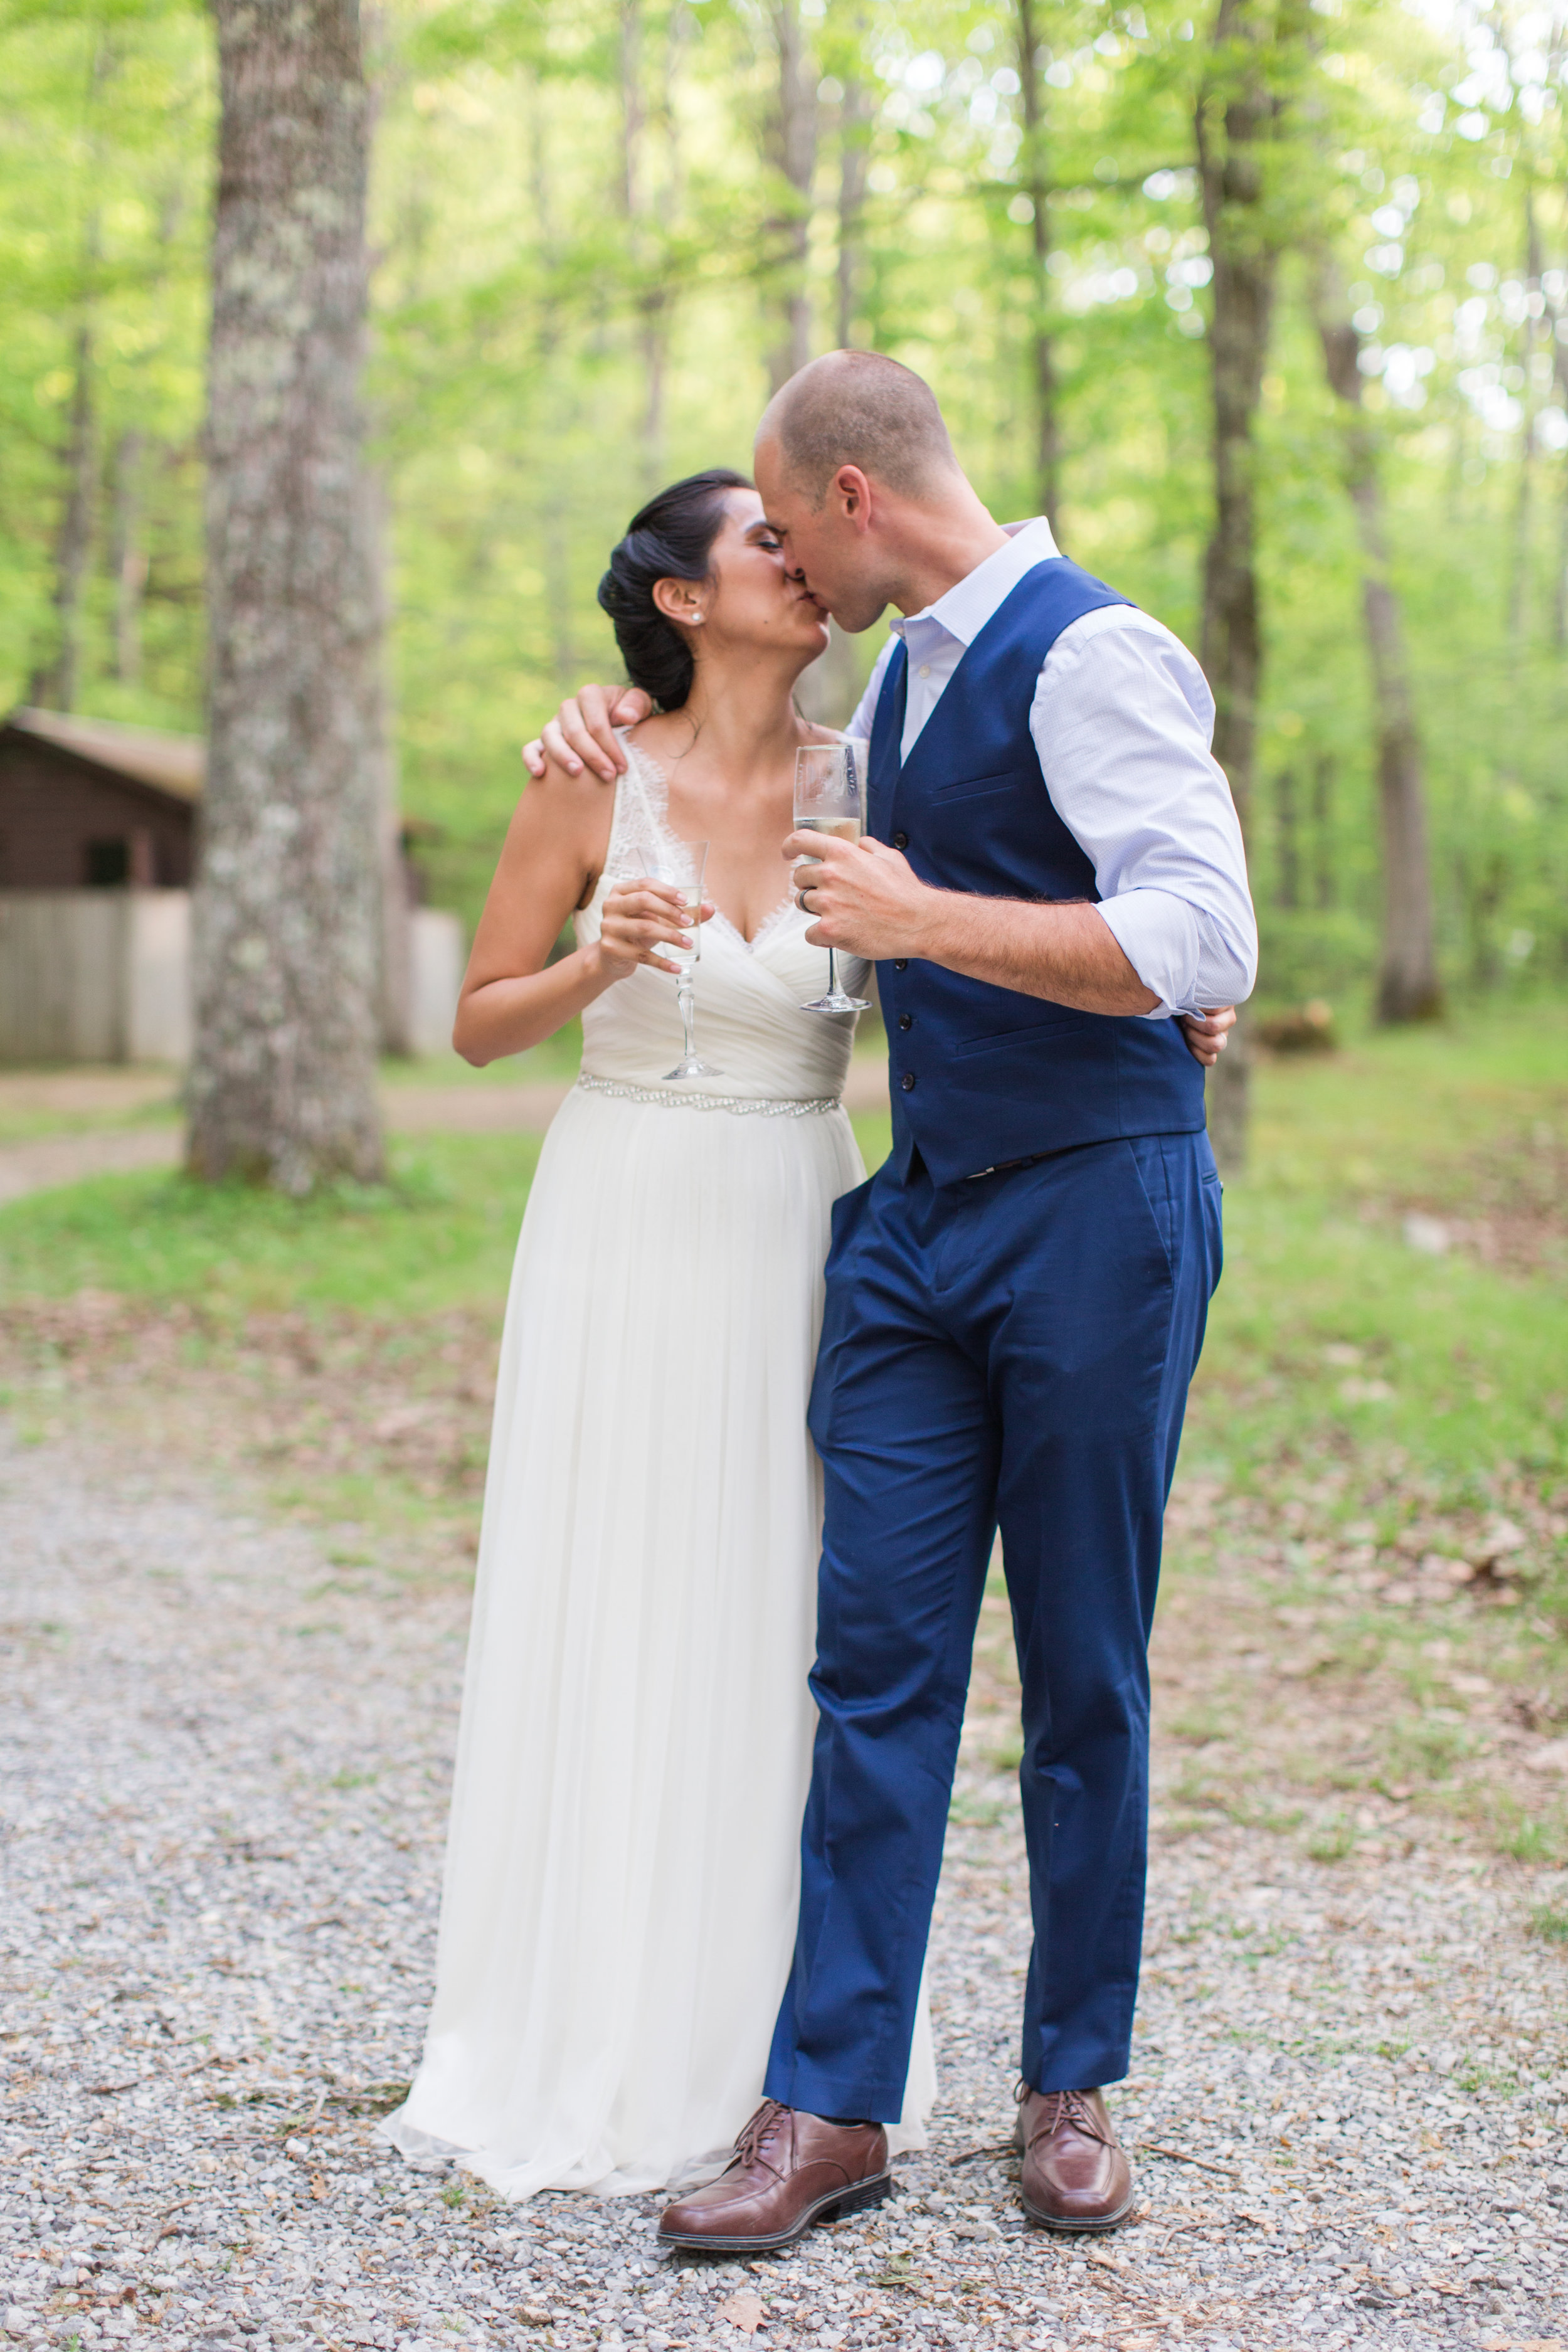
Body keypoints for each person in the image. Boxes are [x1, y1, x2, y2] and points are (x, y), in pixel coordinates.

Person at [524, 350, 1255, 2249]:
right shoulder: (902, 676)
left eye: (787, 519)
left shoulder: (1092, 653)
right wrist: (599, 711)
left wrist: (933, 920)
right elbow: (727, 770)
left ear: (851, 500)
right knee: (872, 1671)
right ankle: (827, 2104)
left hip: (1099, 1215)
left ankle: (1069, 2085)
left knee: (1081, 1670)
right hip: (915, 1231)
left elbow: (1202, 931)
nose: (787, 558)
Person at [383, 465, 938, 2200]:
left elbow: (988, 947)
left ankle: (794, 2061)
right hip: (622, 1223)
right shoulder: (586, 773)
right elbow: (473, 1024)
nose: (802, 555)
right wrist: (593, 968)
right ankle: (595, 2032)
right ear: (681, 599)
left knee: (788, 1609)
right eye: (764, 540)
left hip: (801, 1219)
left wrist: (1174, 990)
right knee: (620, 1596)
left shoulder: (877, 775)